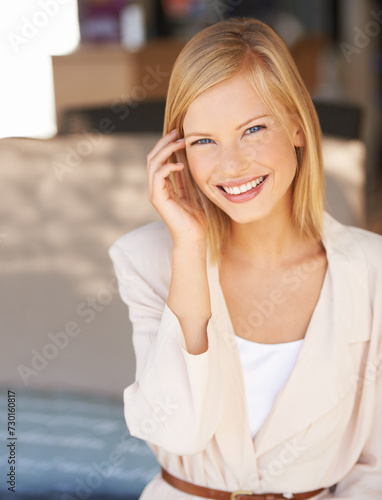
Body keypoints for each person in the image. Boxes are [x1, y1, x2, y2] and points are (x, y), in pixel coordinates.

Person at [108, 17, 382, 500]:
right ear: (178, 152)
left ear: (297, 128)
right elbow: (177, 431)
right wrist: (189, 250)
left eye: (253, 129)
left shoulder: (373, 271)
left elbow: (375, 469)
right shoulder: (145, 261)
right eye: (204, 141)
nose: (231, 166)